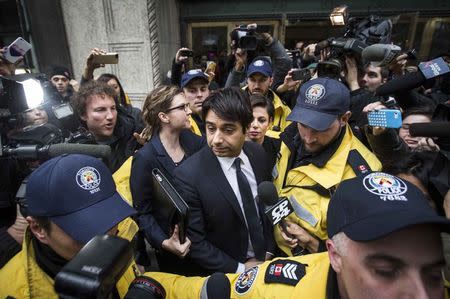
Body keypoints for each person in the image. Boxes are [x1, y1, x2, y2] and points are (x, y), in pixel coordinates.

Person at [133, 172, 450, 298]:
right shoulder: (281, 287)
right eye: (386, 270)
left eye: (434, 275)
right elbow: (205, 289)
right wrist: (151, 284)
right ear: (335, 255)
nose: (421, 296)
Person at [0, 154, 139, 298]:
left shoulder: (119, 230)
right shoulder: (10, 291)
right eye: (86, 229)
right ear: (38, 228)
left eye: (109, 216)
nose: (108, 237)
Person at [273, 77, 381, 256]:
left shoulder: (363, 176)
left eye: (319, 128)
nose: (307, 137)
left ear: (344, 118)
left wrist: (314, 244)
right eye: (303, 124)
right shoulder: (287, 136)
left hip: (314, 265)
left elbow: (359, 255)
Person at [173, 87, 275, 276]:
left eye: (228, 130)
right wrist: (241, 269)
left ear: (245, 129)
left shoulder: (258, 154)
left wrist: (268, 250)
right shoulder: (188, 176)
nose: (216, 140)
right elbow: (197, 243)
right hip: (228, 274)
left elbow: (265, 209)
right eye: (211, 128)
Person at [130, 85, 204, 274]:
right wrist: (164, 242)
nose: (189, 111)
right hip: (174, 254)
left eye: (188, 106)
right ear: (164, 117)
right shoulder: (145, 158)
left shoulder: (194, 141)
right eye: (182, 107)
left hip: (205, 243)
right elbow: (143, 212)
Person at [71, 80, 138, 172]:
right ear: (83, 115)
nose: (110, 116)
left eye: (113, 108)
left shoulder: (131, 134)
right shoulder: (77, 151)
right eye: (100, 110)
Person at [227, 57, 292, 138]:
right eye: (252, 80)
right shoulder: (233, 103)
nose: (257, 85)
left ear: (271, 81)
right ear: (247, 80)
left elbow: (288, 144)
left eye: (262, 80)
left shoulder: (284, 111)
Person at [246, 94, 280, 174]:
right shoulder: (232, 147)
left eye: (261, 120)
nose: (255, 125)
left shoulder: (279, 148)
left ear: (270, 122)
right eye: (250, 119)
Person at [180, 69, 210, 136]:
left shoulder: (219, 115)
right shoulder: (181, 126)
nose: (199, 94)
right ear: (183, 95)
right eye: (192, 91)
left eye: (203, 89)